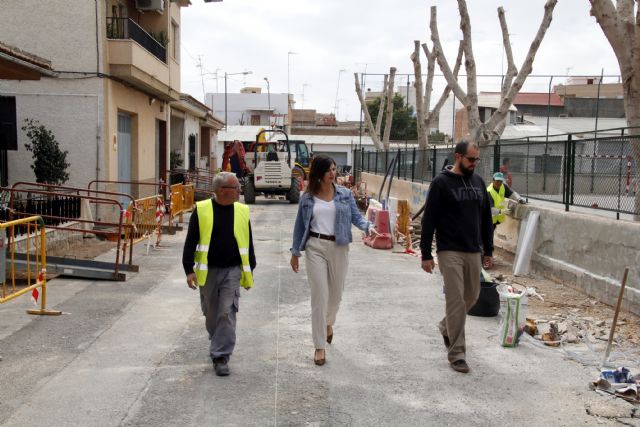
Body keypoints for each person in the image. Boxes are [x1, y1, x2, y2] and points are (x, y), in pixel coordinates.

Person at [290, 154, 375, 366]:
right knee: (320, 295)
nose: (333, 173)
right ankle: (319, 346)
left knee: (335, 296)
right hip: (315, 246)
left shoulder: (345, 194)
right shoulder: (307, 198)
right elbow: (300, 226)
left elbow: (356, 217)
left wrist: (368, 227)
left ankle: (328, 323)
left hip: (339, 246)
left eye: (334, 170)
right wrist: (295, 252)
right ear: (319, 173)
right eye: (329, 170)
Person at [420, 140, 494, 374]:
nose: (474, 164)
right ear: (458, 156)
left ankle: (446, 326)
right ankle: (457, 354)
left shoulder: (479, 183)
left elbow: (486, 219)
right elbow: (428, 219)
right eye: (471, 159)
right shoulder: (441, 183)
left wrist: (488, 250)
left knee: (471, 297)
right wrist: (425, 253)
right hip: (449, 250)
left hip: (473, 250)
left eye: (477, 160)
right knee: (455, 300)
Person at [182, 172, 256, 377]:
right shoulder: (203, 209)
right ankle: (217, 338)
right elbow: (191, 240)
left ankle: (221, 355)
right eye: (236, 188)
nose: (239, 192)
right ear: (222, 190)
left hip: (232, 270)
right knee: (211, 313)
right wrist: (188, 270)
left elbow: (247, 241)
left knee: (226, 312)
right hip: (209, 271)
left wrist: (250, 269)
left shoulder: (241, 210)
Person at [487, 171, 526, 237]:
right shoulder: (489, 191)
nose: (499, 183)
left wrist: (519, 199)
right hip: (488, 219)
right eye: (497, 181)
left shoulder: (503, 186)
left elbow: (512, 194)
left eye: (500, 181)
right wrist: (502, 211)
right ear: (493, 180)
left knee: (490, 235)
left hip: (495, 219)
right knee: (487, 235)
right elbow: (490, 210)